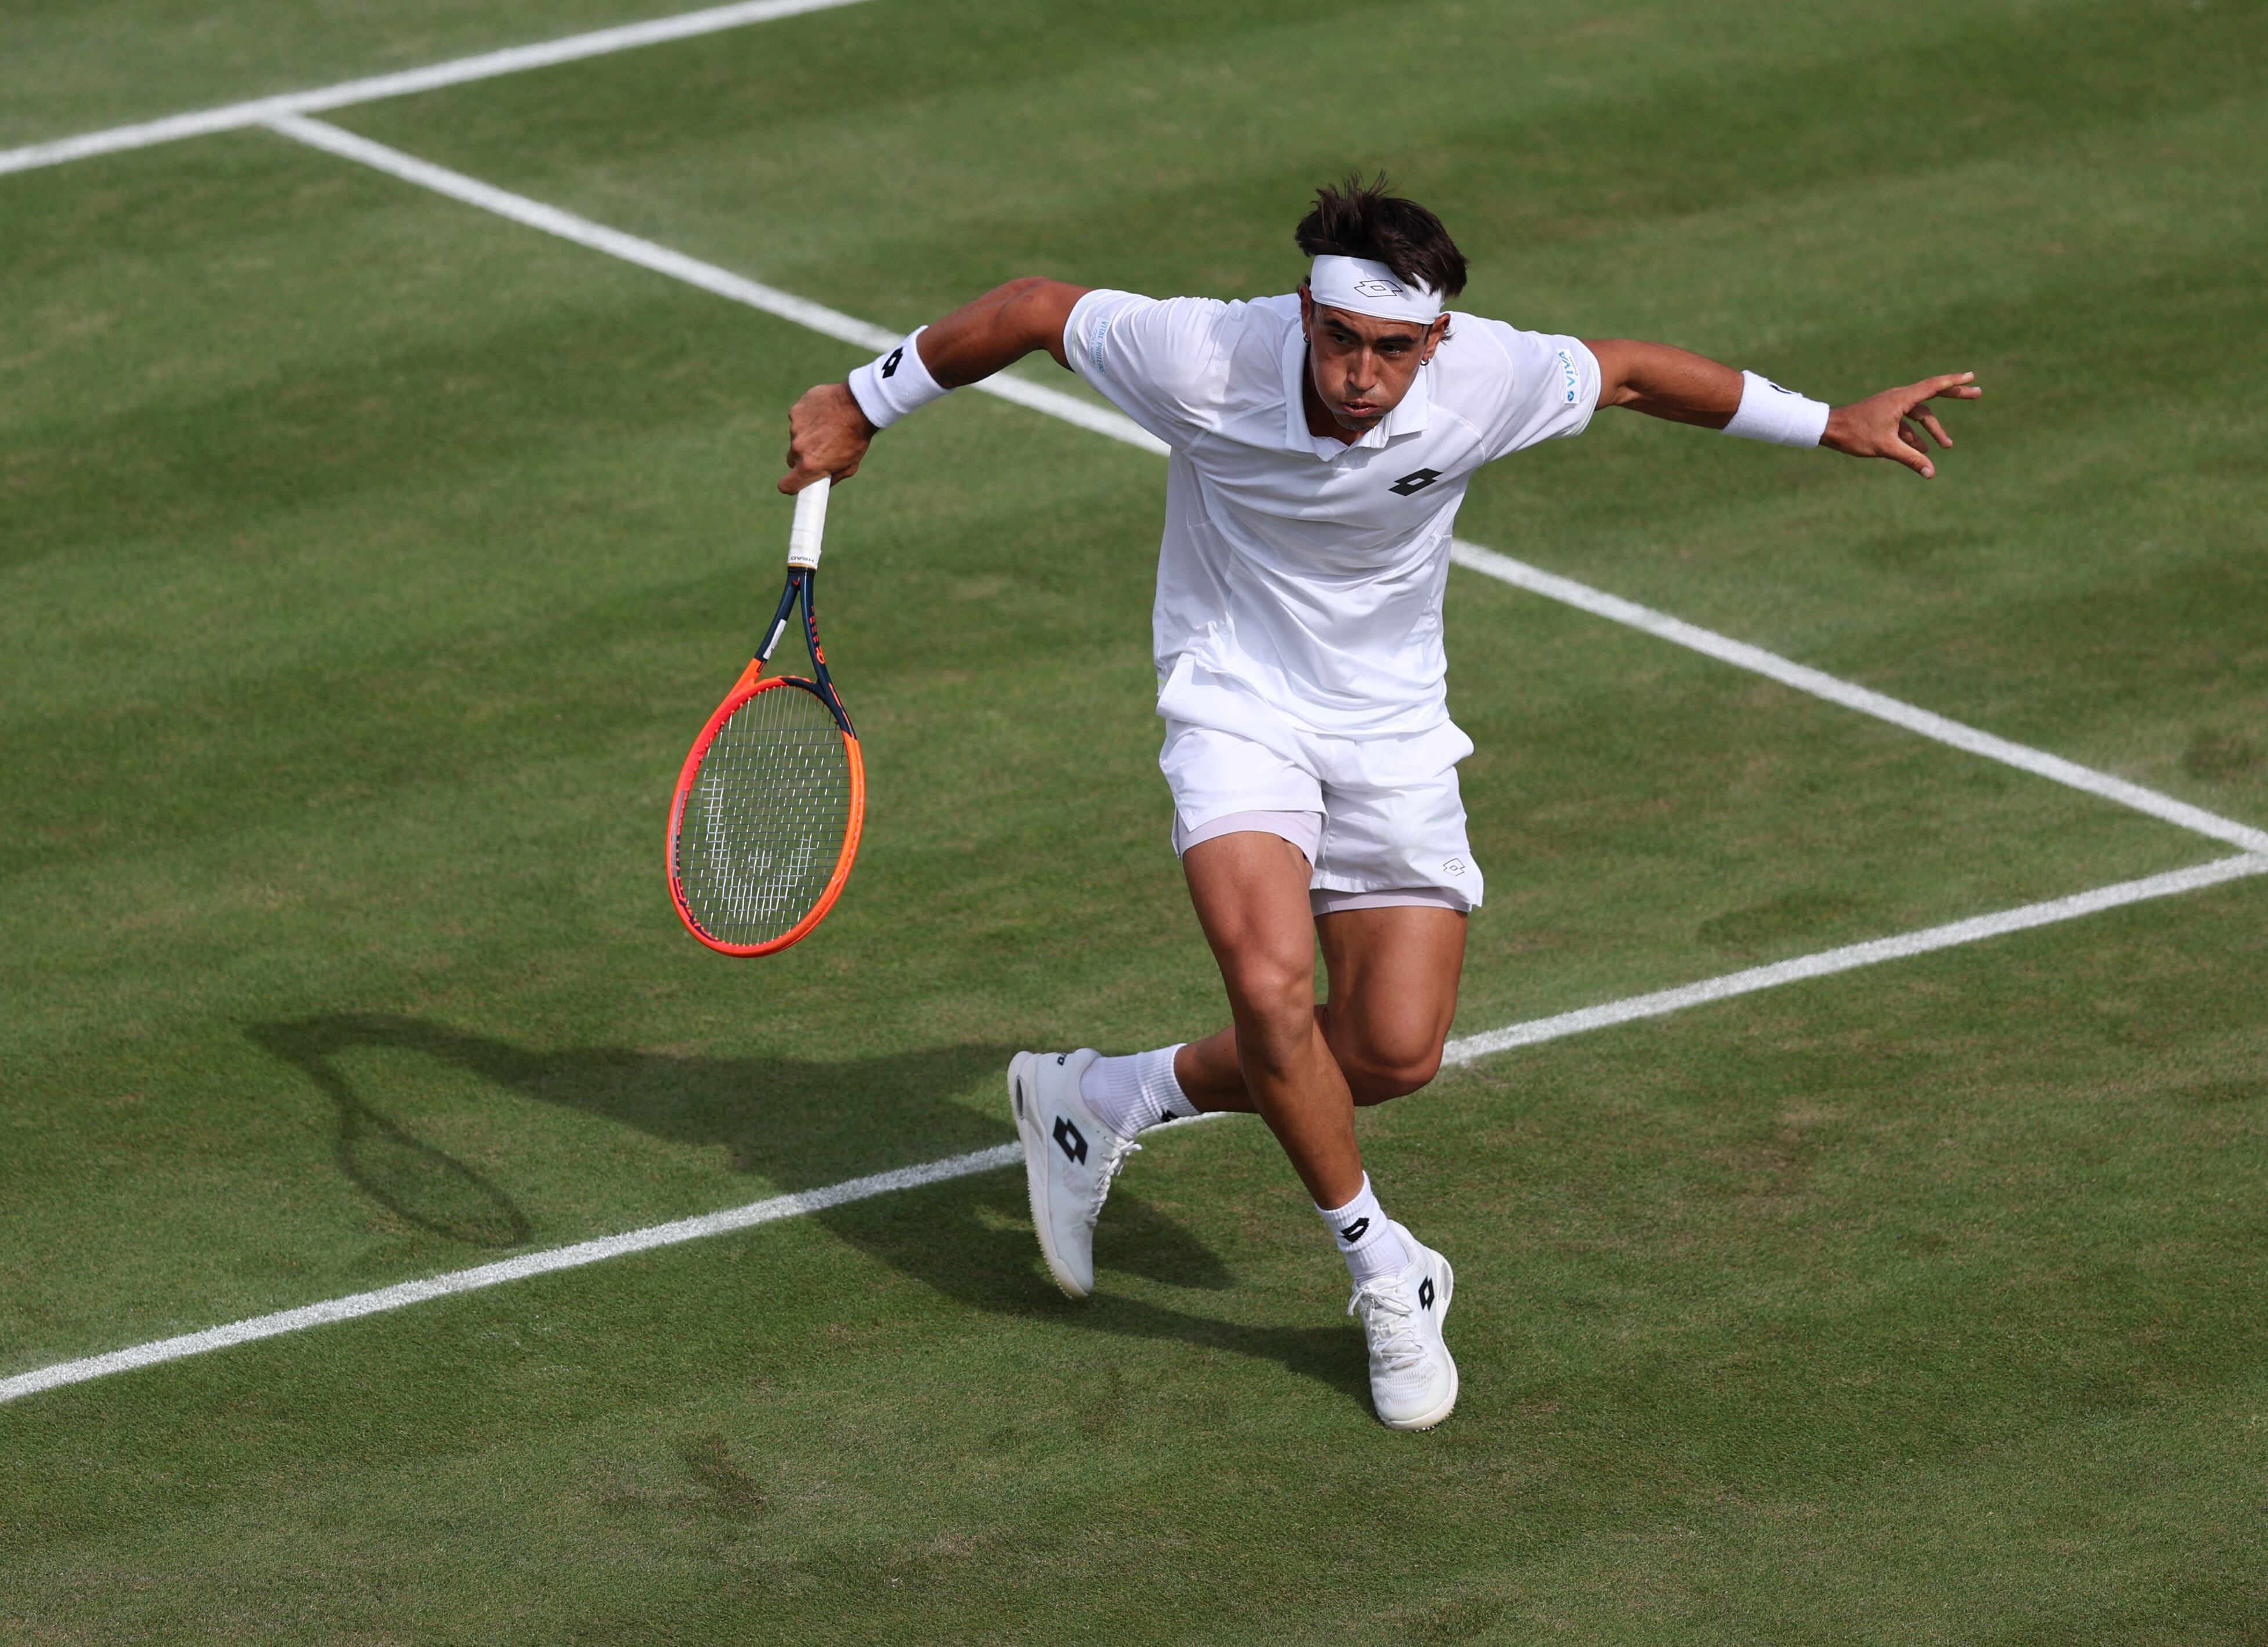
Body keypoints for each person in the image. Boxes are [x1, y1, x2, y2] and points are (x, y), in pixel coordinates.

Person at [778, 178, 1977, 1431]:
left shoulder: (1492, 378)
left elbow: (1626, 375)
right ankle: (1385, 1269)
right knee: (1270, 985)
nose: (1362, 373)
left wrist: (1829, 421)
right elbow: (1029, 309)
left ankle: (1102, 1096)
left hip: (1393, 728)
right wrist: (865, 400)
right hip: (1233, 698)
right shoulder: (1202, 357)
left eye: (1393, 350)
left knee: (1393, 1051)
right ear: (1304, 312)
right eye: (1341, 340)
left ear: (1437, 343)